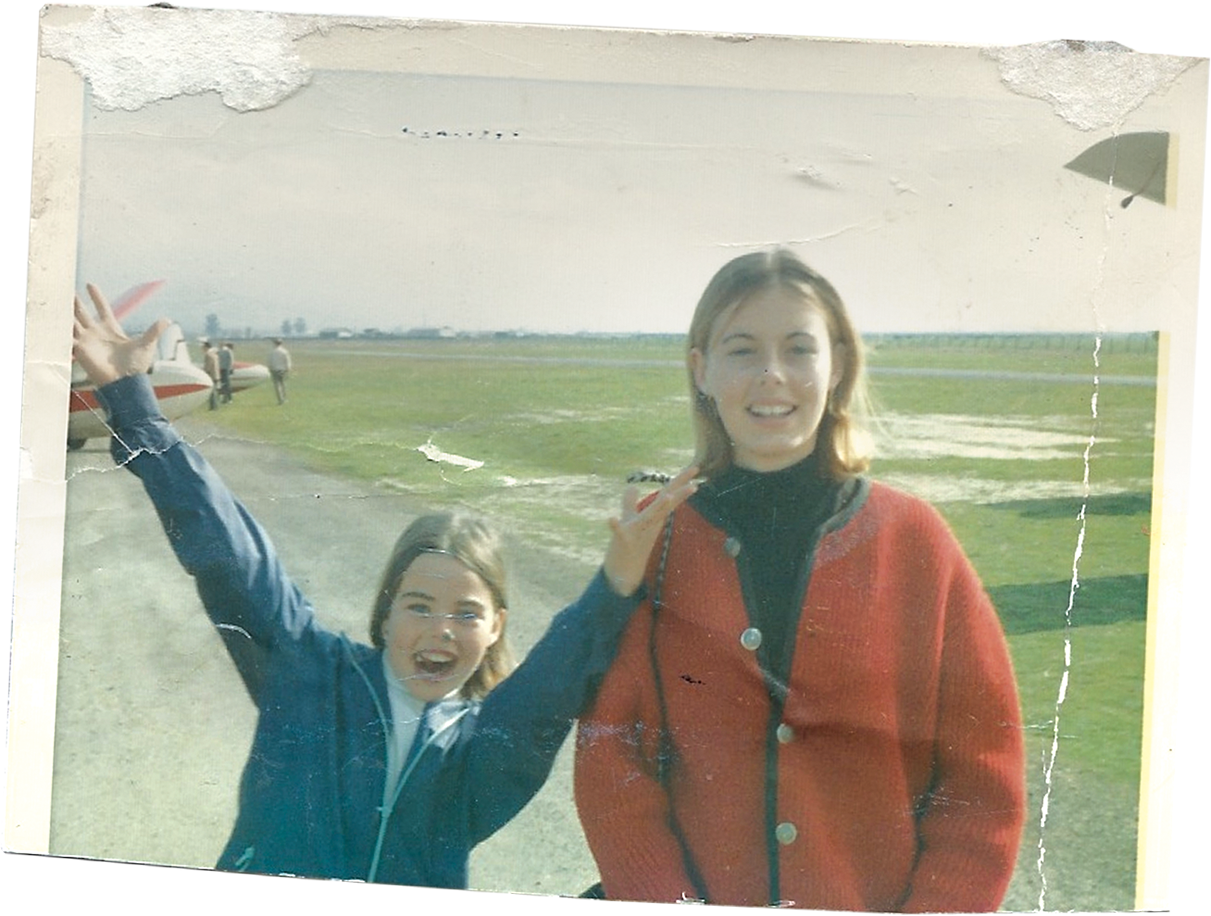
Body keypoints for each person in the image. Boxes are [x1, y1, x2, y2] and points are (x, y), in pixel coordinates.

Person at [71, 283, 698, 886]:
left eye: (466, 613)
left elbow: (556, 677)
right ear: (388, 613)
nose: (440, 630)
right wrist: (135, 406)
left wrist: (620, 575)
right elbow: (230, 556)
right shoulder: (312, 675)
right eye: (419, 605)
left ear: (497, 627)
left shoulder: (482, 750)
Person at [573, 249, 1026, 911]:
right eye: (741, 350)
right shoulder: (656, 539)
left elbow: (982, 778)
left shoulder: (916, 542)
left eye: (798, 349)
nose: (771, 376)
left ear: (836, 365)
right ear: (700, 370)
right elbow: (610, 765)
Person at [269, 338, 291, 405]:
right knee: (283, 384)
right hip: (283, 369)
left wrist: (270, 368)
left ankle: (280, 399)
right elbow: (287, 361)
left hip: (275, 369)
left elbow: (270, 361)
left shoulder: (272, 352)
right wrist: (288, 368)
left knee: (277, 385)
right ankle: (284, 398)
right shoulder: (284, 351)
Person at [201, 340, 220, 410]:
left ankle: (213, 406)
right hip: (216, 374)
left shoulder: (208, 355)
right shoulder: (214, 354)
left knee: (212, 392)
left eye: (203, 347)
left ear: (206, 347)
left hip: (211, 375)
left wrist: (204, 373)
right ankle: (215, 405)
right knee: (214, 391)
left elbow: (208, 366)